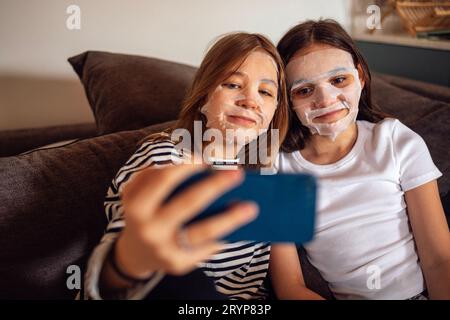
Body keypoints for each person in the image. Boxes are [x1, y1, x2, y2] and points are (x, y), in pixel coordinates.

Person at [84, 32, 289, 299]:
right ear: (203, 96)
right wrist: (126, 265)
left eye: (265, 91)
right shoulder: (164, 158)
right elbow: (119, 267)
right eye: (232, 85)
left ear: (275, 109)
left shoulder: (267, 173)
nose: (250, 100)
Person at [269, 19, 450, 300]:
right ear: (287, 100)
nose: (326, 100)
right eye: (305, 90)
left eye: (339, 80)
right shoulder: (276, 169)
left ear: (361, 78)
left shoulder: (396, 141)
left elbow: (440, 259)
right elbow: (289, 286)